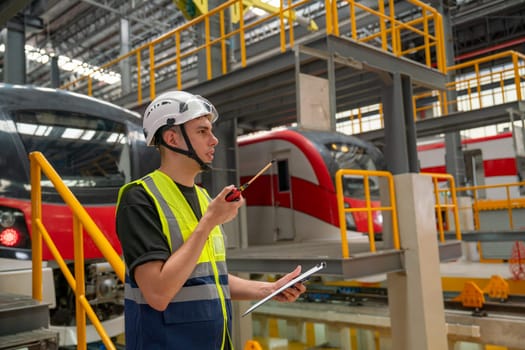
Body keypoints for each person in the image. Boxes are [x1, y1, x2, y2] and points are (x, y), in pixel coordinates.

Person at [116, 90, 306, 349]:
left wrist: (268, 289)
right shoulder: (139, 198)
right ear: (172, 138)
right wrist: (208, 223)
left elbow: (209, 279)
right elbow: (157, 294)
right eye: (202, 131)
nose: (214, 140)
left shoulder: (206, 199)